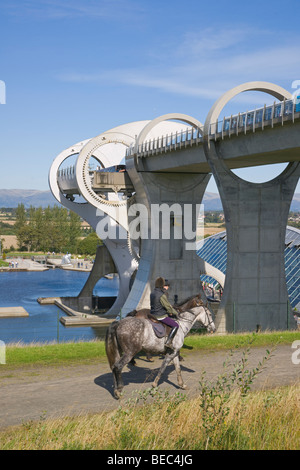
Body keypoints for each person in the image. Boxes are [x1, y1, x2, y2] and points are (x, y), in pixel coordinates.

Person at [150, 277, 179, 350]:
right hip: (160, 316)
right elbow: (168, 307)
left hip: (152, 314)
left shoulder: (152, 293)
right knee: (176, 325)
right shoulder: (162, 295)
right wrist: (176, 313)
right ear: (162, 285)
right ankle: (168, 342)